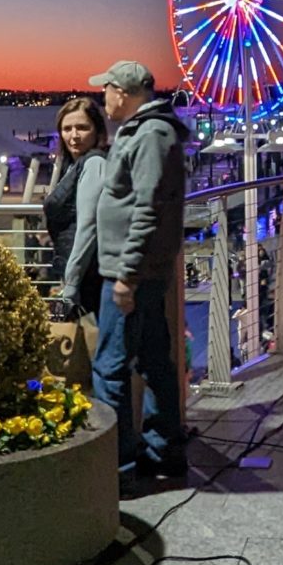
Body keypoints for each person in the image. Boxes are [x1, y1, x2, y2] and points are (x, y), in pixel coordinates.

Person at [88, 60, 190, 493]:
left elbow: (148, 209)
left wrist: (126, 276)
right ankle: (160, 453)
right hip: (140, 272)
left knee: (109, 369)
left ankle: (116, 466)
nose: (101, 98)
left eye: (105, 90)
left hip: (129, 276)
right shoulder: (148, 132)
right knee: (153, 362)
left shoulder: (150, 136)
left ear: (123, 92)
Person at [41, 96, 109, 317]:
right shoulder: (73, 166)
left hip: (90, 276)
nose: (74, 136)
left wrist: (71, 283)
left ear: (98, 132)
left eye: (82, 128)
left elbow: (88, 226)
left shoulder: (94, 163)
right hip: (83, 273)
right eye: (67, 128)